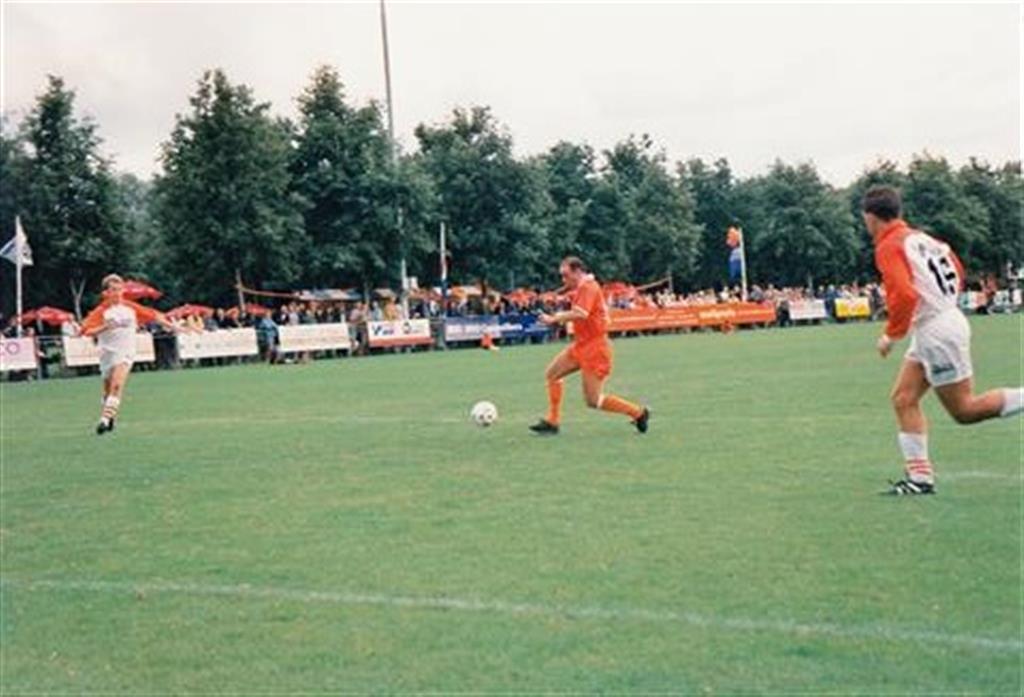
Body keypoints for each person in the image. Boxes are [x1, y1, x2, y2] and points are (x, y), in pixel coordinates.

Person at [862, 186, 1022, 494]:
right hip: (940, 322)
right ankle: (920, 479)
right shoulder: (921, 238)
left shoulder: (888, 245)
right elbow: (956, 269)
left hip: (937, 330)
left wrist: (891, 335)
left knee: (964, 410)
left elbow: (904, 294)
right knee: (903, 399)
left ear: (870, 216)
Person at [529, 256, 650, 435]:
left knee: (593, 401)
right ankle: (553, 421)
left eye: (566, 275)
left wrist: (554, 318)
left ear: (578, 271)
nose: (563, 280)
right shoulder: (583, 287)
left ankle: (638, 413)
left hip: (595, 349)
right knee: (552, 374)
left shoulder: (588, 287)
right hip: (581, 345)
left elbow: (581, 313)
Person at [80, 274, 180, 435]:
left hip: (126, 352)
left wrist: (176, 327)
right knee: (108, 390)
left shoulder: (130, 307)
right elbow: (86, 331)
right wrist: (104, 327)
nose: (117, 293)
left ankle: (104, 420)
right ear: (106, 293)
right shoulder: (101, 311)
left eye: (119, 289)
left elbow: (153, 316)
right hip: (107, 353)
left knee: (117, 385)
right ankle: (110, 416)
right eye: (113, 290)